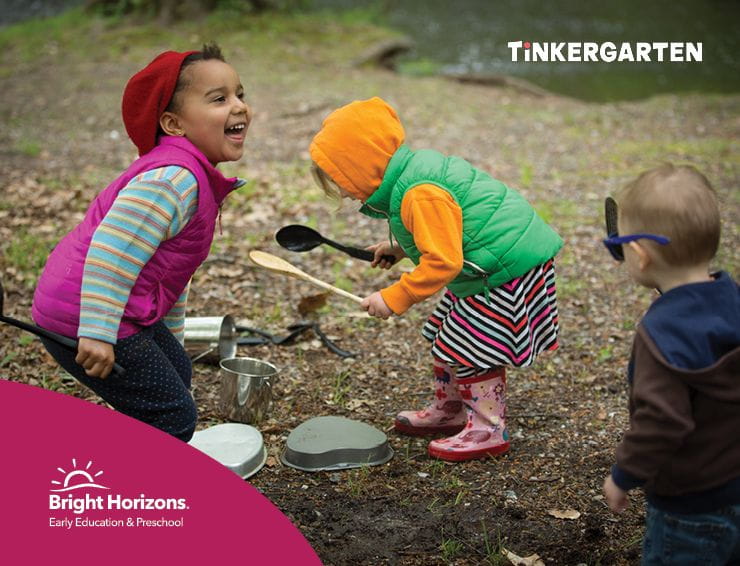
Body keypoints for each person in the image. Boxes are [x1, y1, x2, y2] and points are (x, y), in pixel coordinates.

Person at [308, 97, 562, 461]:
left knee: (474, 346)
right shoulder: (412, 175)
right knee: (449, 335)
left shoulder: (418, 193)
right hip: (490, 260)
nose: (346, 193)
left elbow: (443, 261)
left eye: (344, 181)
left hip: (502, 270)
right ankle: (452, 409)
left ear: (365, 166)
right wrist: (398, 249)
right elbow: (445, 232)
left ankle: (487, 429)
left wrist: (396, 296)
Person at [32, 43, 251, 441]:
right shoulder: (172, 180)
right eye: (219, 99)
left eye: (239, 94)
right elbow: (110, 254)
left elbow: (170, 275)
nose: (238, 106)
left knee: (178, 372)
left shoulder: (194, 177)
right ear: (173, 124)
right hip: (83, 312)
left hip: (116, 309)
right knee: (172, 416)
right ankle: (122, 488)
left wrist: (173, 341)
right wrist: (97, 333)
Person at [601, 164, 740, 564]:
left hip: (690, 506)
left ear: (640, 256)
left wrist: (624, 475)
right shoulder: (734, 298)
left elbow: (662, 420)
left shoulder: (659, 334)